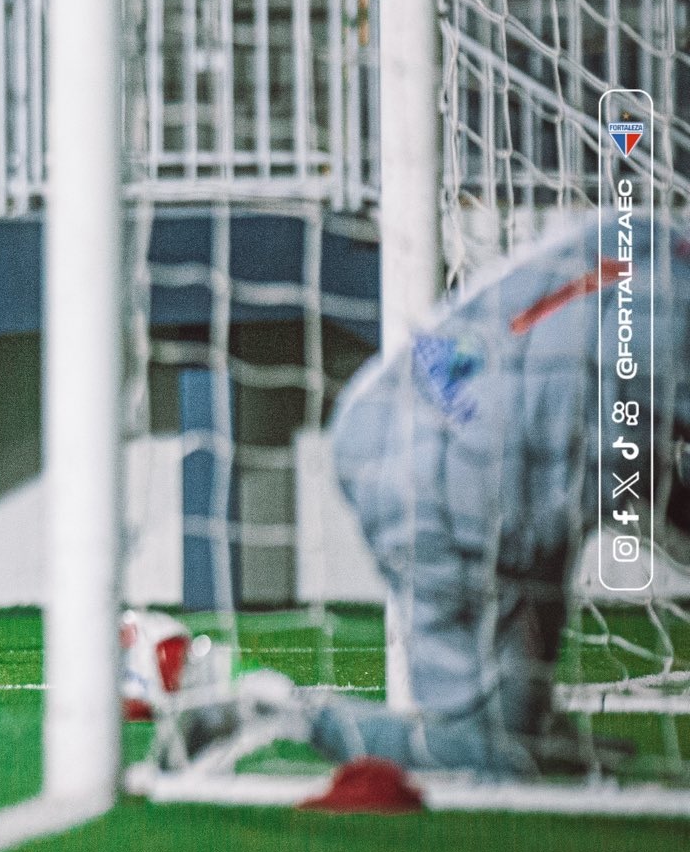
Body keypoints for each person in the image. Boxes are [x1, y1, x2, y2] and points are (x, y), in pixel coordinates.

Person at [176, 213, 689, 777]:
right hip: (465, 485)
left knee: (520, 731)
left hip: (399, 415)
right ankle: (274, 714)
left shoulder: (641, 236)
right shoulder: (670, 308)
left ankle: (531, 737)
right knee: (491, 757)